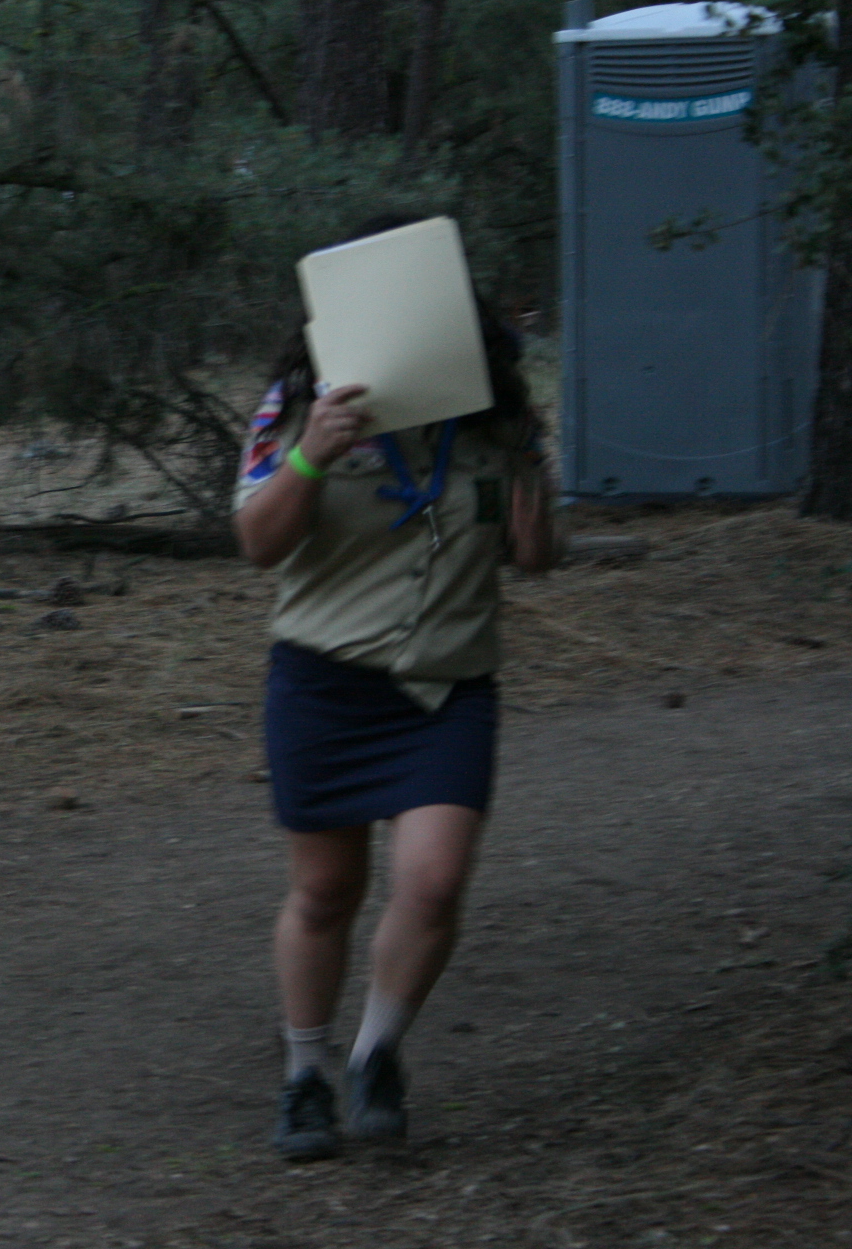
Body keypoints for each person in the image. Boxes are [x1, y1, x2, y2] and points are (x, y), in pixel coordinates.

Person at [232, 225, 559, 1162]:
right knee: (326, 890)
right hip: (325, 683)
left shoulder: (498, 419)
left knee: (434, 881)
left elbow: (536, 554)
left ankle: (376, 1053)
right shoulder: (297, 406)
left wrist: (537, 529)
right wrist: (310, 457)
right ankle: (304, 1076)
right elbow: (258, 545)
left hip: (448, 686)